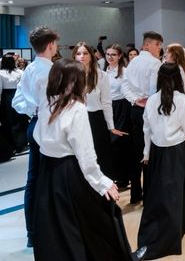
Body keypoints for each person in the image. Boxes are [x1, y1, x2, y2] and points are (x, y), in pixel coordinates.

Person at [32, 58, 146, 261]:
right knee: (101, 217)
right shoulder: (76, 108)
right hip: (70, 172)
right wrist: (102, 183)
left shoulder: (47, 102)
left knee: (58, 224)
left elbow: (37, 137)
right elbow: (85, 153)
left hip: (48, 171)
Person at [138, 63, 185, 258]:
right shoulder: (181, 100)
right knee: (172, 193)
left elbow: (146, 129)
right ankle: (171, 232)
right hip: (177, 151)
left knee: (171, 190)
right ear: (178, 78)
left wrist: (146, 153)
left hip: (157, 151)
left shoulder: (152, 100)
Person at [12, 26, 59, 247]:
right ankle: (49, 229)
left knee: (33, 178)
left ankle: (32, 232)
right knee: (51, 177)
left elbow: (17, 102)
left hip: (34, 123)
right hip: (50, 126)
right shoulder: (53, 70)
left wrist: (34, 109)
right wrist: (41, 109)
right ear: (50, 45)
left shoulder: (29, 69)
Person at [73, 42, 126, 178]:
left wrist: (111, 126)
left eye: (85, 53)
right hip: (75, 119)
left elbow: (106, 102)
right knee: (79, 156)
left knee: (99, 156)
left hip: (96, 119)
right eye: (78, 53)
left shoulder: (101, 75)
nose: (82, 56)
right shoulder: (70, 75)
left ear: (91, 56)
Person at [123, 31, 163, 204]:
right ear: (147, 45)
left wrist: (134, 100)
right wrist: (146, 102)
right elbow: (154, 89)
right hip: (150, 110)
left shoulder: (132, 62)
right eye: (157, 45)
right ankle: (149, 194)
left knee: (136, 150)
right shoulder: (155, 63)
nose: (159, 48)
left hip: (135, 110)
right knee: (149, 151)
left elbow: (124, 86)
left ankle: (135, 194)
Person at [105, 44, 132, 186]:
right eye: (108, 54)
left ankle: (123, 177)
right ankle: (113, 175)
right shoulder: (104, 71)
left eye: (113, 54)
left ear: (120, 56)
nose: (110, 57)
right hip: (107, 107)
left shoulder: (125, 72)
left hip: (122, 107)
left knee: (119, 142)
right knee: (109, 143)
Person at [0, 54, 26, 153]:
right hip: (18, 95)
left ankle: (11, 143)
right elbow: (23, 86)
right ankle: (21, 142)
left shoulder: (1, 73)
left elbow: (0, 88)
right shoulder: (20, 72)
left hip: (6, 97)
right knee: (20, 119)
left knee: (8, 120)